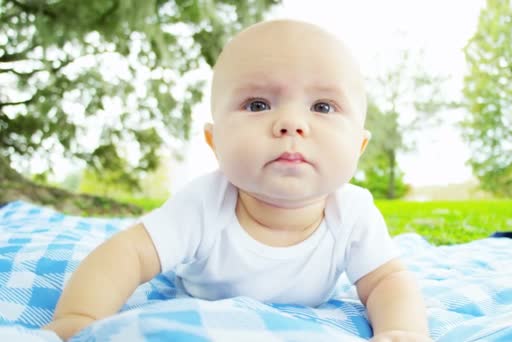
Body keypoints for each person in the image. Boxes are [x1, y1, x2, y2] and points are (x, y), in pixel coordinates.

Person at [43, 19, 431, 341]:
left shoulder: (353, 212)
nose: (292, 123)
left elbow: (387, 282)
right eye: (258, 104)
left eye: (323, 106)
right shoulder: (204, 204)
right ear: (215, 141)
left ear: (358, 146)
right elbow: (126, 255)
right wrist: (79, 315)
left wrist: (400, 330)